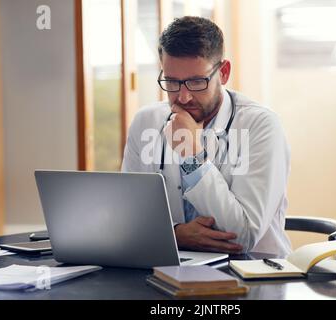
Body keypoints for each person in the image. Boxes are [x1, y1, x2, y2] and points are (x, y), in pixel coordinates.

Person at [122, 16, 291, 257]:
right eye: (171, 82)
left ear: (223, 72)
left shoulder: (262, 126)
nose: (183, 97)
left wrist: (192, 156)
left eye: (195, 82)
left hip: (253, 273)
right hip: (172, 268)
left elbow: (242, 236)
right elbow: (128, 218)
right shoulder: (146, 121)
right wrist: (177, 234)